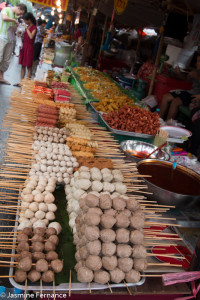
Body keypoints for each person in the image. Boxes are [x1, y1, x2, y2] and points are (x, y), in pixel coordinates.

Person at [160, 54, 200, 121]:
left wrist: (197, 77)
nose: (197, 63)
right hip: (190, 92)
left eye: (199, 61)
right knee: (166, 97)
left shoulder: (197, 73)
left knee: (176, 101)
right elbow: (186, 79)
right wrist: (179, 73)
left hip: (196, 96)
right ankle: (158, 119)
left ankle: (168, 124)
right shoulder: (196, 71)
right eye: (197, 61)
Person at [0, 3, 27, 85]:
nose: (20, 15)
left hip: (10, 40)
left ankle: (1, 77)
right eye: (21, 13)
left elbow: (12, 28)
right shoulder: (6, 9)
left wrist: (18, 28)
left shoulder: (15, 16)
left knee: (6, 60)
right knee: (0, 57)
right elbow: (4, 18)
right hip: (2, 37)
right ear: (18, 8)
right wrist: (14, 21)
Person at [14, 13, 36, 86]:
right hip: (24, 46)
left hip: (29, 48)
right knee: (23, 65)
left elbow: (31, 37)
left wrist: (26, 28)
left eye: (25, 20)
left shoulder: (34, 28)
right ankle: (21, 82)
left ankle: (26, 84)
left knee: (29, 66)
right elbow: (26, 37)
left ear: (29, 20)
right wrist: (20, 37)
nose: (24, 22)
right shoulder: (27, 27)